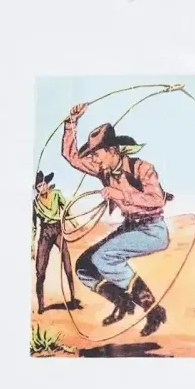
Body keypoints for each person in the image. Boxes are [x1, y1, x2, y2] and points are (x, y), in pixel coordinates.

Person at [61, 102, 171, 336]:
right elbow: (71, 157)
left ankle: (153, 310)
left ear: (112, 150)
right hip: (130, 228)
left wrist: (119, 194)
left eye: (96, 154)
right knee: (84, 267)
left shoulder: (141, 168)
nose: (94, 160)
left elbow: (157, 200)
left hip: (152, 230)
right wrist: (71, 123)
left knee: (104, 257)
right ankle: (122, 302)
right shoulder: (103, 170)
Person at [31, 170, 81, 314]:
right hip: (45, 233)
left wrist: (74, 222)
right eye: (38, 186)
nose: (41, 188)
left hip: (58, 230)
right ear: (36, 189)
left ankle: (73, 299)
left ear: (47, 184)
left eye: (43, 184)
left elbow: (66, 209)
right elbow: (34, 226)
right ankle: (41, 305)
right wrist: (32, 247)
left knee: (67, 265)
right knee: (40, 271)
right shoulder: (35, 204)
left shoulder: (57, 194)